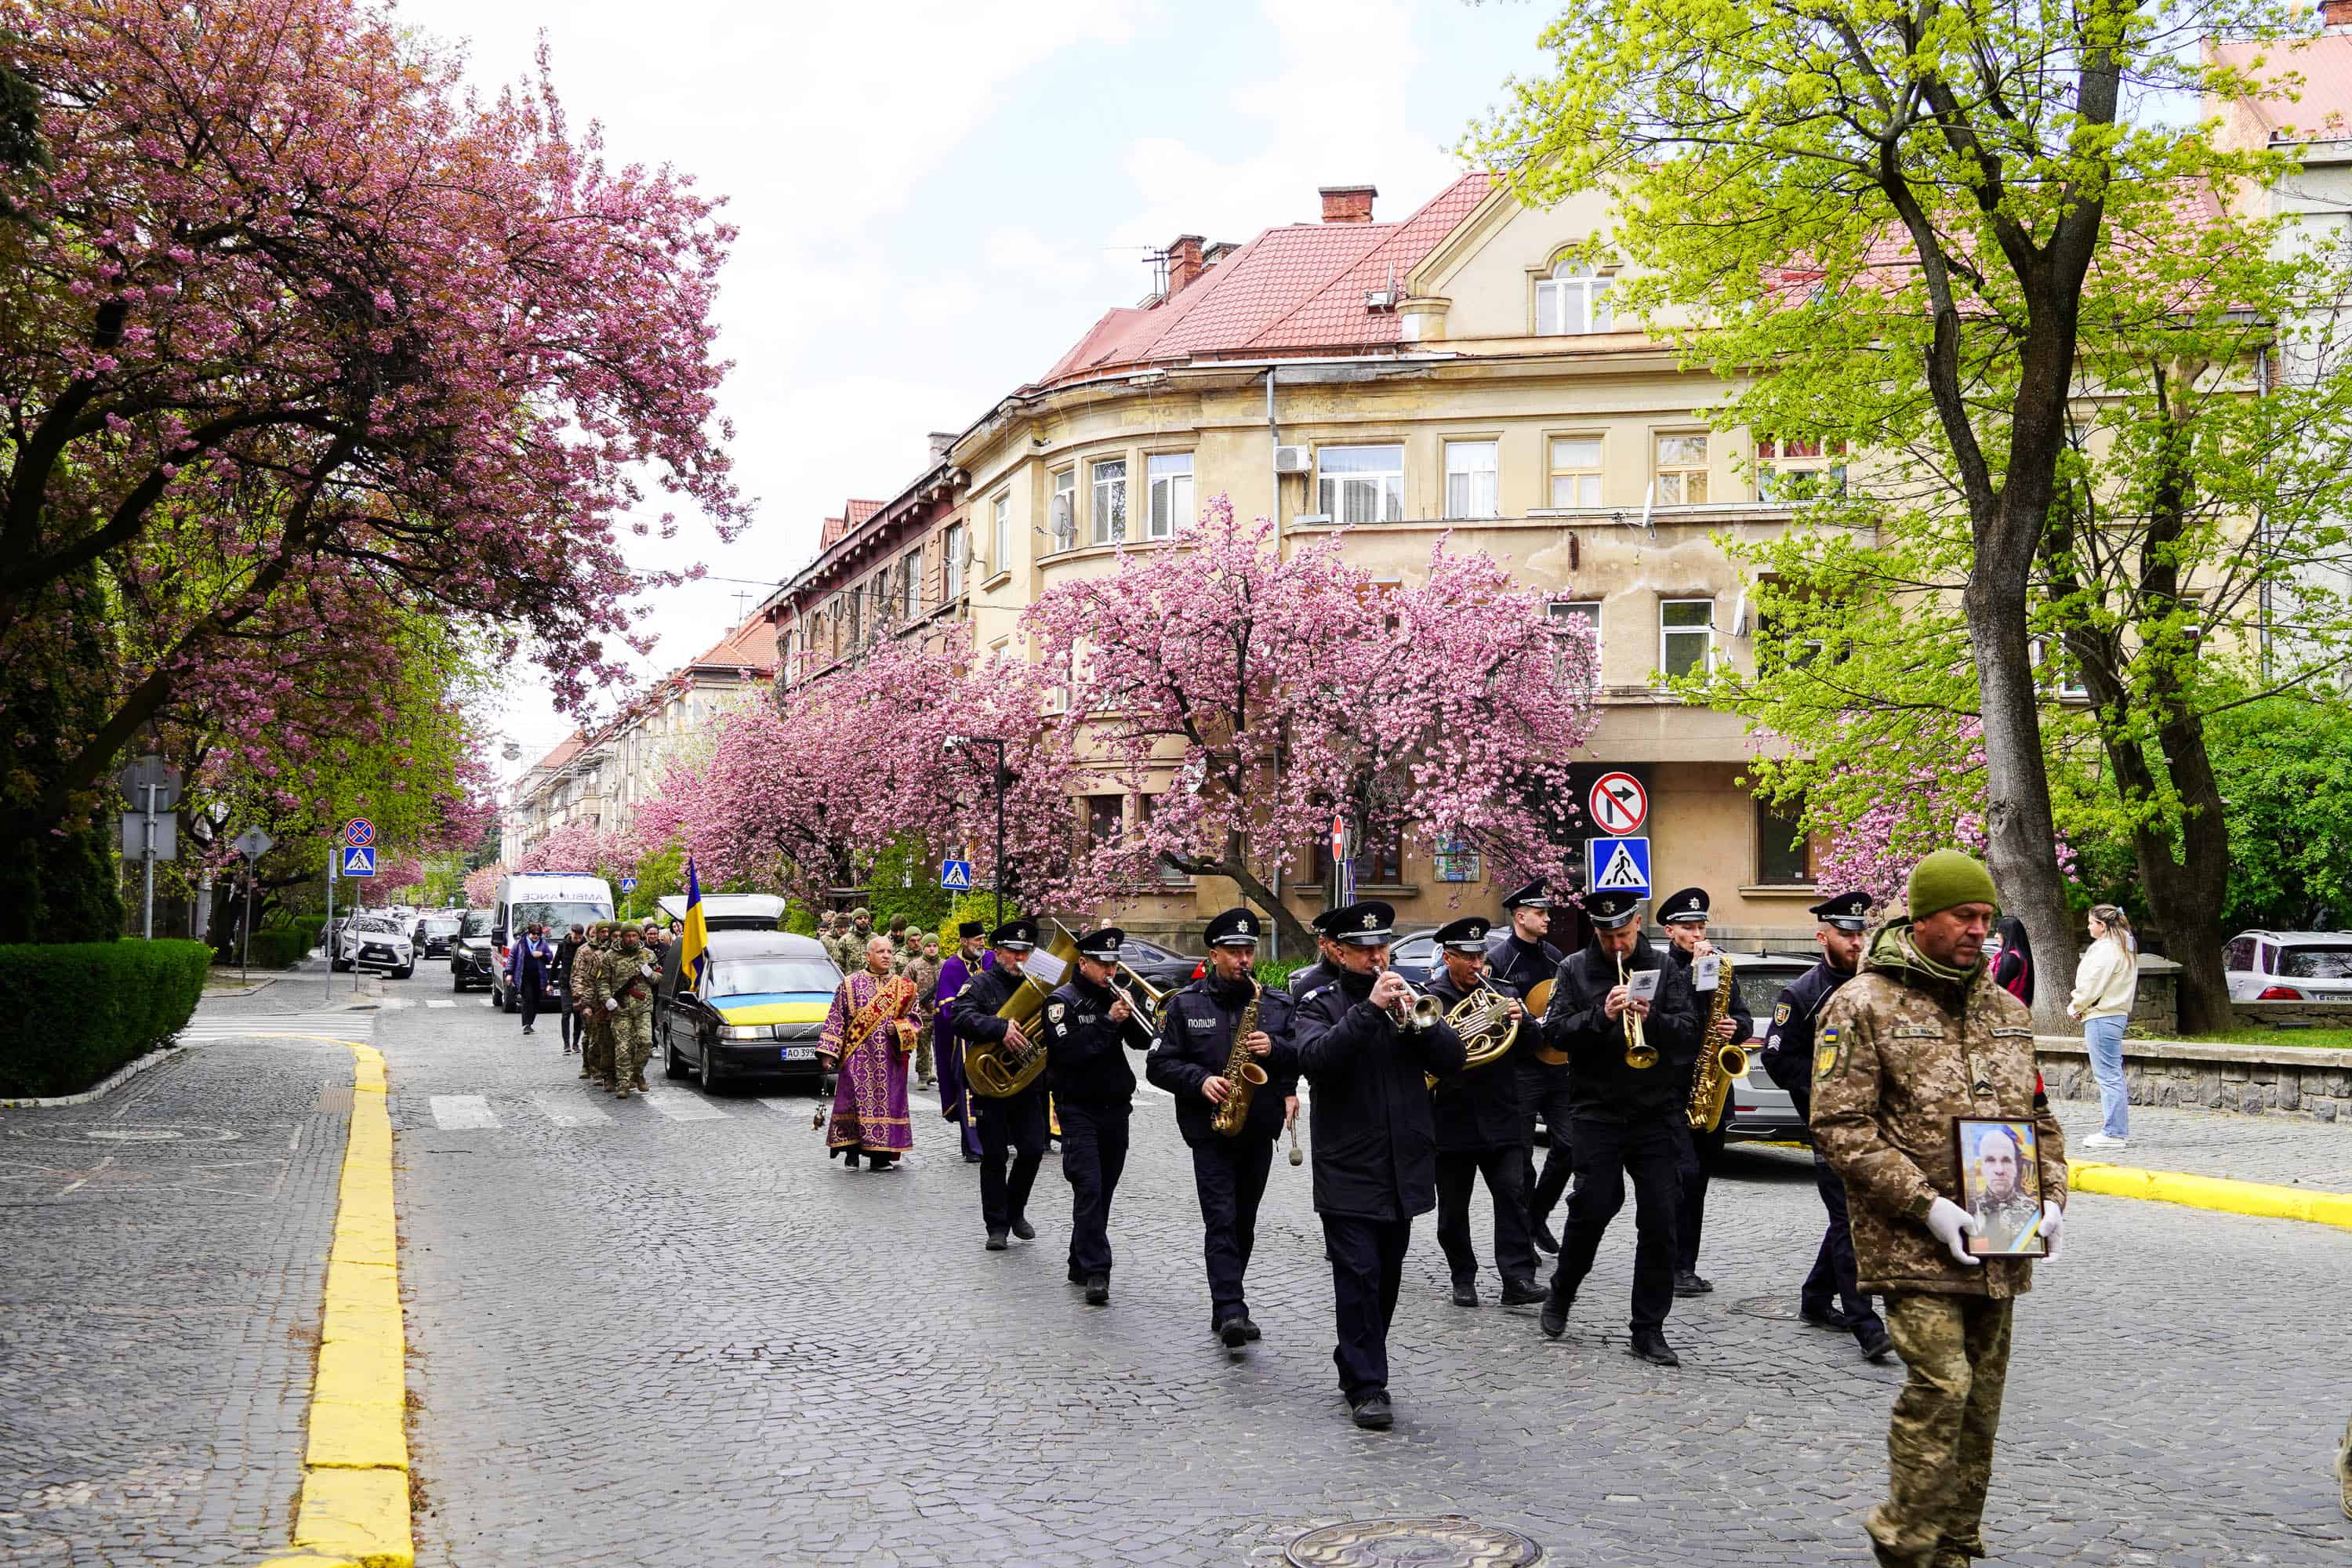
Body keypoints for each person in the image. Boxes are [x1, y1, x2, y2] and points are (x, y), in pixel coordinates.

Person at [1813, 849, 2068, 1568]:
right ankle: (1905, 1542)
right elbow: (1840, 1127)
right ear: (1922, 918)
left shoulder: (2006, 1009)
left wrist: (2052, 1199)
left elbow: (2039, 1117)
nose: (1978, 930)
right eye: (1964, 915)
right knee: (1942, 1386)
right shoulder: (1862, 1004)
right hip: (1912, 1243)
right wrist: (1928, 1208)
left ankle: (1956, 1546)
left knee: (1981, 1401)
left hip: (2001, 1236)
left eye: (1987, 917)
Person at [1293, 900, 1468, 1430]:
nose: (1376, 956)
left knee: (1386, 1277)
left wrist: (1422, 1023)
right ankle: (1369, 1385)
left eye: (1382, 947)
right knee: (1359, 1275)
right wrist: (1368, 1010)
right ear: (1338, 951)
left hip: (1404, 1162)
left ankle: (1356, 1357)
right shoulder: (1316, 1001)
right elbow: (1315, 1060)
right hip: (1347, 1164)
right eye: (1365, 949)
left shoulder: (1411, 1001)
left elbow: (1453, 1061)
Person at [1535, 890, 1703, 1367]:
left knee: (1660, 1220)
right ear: (1596, 930)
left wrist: (1656, 1020)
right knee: (1592, 1207)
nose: (1617, 946)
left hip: (1656, 1113)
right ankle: (1562, 1291)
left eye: (1625, 935)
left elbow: (1690, 1029)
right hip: (1597, 1110)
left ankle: (1648, 1329)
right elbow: (1554, 1033)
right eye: (1608, 936)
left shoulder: (1665, 969)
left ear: (1637, 925)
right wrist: (1600, 1016)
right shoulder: (1573, 969)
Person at [1146, 906, 1298, 1345]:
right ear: (1214, 954)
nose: (1243, 960)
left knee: (1244, 1221)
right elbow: (1158, 1065)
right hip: (1210, 1129)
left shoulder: (1274, 1004)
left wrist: (1278, 1053)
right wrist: (1201, 1080)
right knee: (1222, 1220)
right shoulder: (1185, 1003)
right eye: (1234, 951)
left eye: (1248, 950)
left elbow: (1303, 1054)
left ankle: (1228, 1299)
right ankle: (1230, 1308)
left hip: (1258, 1127)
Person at [1760, 891, 1893, 1363]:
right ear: (1823, 937)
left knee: (1853, 1213)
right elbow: (1776, 1058)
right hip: (1830, 1123)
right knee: (1849, 1218)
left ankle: (1816, 1298)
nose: (1857, 942)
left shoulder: (1878, 986)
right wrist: (1823, 1096)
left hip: (1876, 1122)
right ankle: (1865, 1322)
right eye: (1846, 934)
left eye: (1861, 933)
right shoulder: (1802, 994)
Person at [1424, 916, 1543, 1309]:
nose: (1478, 966)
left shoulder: (1502, 993)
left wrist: (1521, 1021)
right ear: (1448, 957)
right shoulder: (1431, 999)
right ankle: (1463, 1276)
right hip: (1452, 1118)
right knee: (1454, 1209)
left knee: (1513, 1196)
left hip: (1502, 1113)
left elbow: (1532, 1048)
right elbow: (1424, 1057)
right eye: (1468, 958)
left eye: (1481, 956)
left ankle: (1517, 1279)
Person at [1039, 927, 1157, 1305]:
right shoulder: (1062, 1002)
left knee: (1103, 1190)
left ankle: (1079, 1256)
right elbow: (1070, 1052)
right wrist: (1108, 1022)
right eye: (1104, 964)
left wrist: (1136, 1008)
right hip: (1077, 1108)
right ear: (1084, 962)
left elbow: (1144, 1041)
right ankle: (1097, 1270)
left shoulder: (1115, 996)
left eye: (1114, 963)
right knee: (1088, 1186)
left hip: (1115, 1106)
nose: (1111, 970)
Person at [1653, 886, 1754, 1298]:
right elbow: (1666, 1018)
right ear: (1669, 930)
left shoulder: (1719, 967)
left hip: (1712, 1087)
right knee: (1683, 1175)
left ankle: (1685, 1266)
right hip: (1673, 1087)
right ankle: (1669, 1264)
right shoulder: (1660, 969)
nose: (1697, 935)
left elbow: (1741, 1014)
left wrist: (1737, 1028)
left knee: (1699, 1181)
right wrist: (1696, 975)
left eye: (1700, 926)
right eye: (1688, 928)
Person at [949, 918, 1051, 1248]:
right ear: (998, 953)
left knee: (1033, 1150)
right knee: (994, 1157)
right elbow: (959, 1016)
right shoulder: (981, 985)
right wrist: (998, 1028)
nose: (1020, 959)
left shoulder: (1040, 983)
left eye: (1026, 953)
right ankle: (996, 1226)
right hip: (990, 1085)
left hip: (1029, 1083)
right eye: (1013, 953)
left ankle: (1015, 1210)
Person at [1486, 880, 1569, 1255]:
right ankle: (1522, 1235)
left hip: (1557, 1067)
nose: (1547, 918)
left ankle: (1537, 1215)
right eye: (1540, 913)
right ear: (1520, 917)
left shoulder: (1554, 956)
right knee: (1520, 1162)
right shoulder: (1500, 959)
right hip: (1520, 1072)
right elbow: (1497, 1015)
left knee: (1570, 1147)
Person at [818, 934, 921, 1170]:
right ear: (868, 956)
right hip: (857, 1056)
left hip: (890, 1060)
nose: (886, 956)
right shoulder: (849, 984)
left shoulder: (904, 987)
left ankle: (880, 1157)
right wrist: (828, 1053)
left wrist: (899, 1029)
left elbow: (915, 1021)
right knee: (854, 1103)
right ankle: (852, 1151)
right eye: (881, 952)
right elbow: (836, 1019)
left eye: (889, 952)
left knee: (887, 1106)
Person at [2067, 904, 2138, 1150]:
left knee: (2108, 1076)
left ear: (2102, 925)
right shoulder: (2124, 945)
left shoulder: (2107, 950)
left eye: (2091, 923)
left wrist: (2077, 1005)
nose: (2088, 927)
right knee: (2112, 1074)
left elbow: (2094, 983)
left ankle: (2114, 1132)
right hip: (2114, 1014)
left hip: (2102, 1015)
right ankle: (2114, 1130)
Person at [933, 920, 990, 1163]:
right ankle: (973, 1146)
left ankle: (993, 1141)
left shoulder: (991, 960)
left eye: (983, 938)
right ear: (964, 941)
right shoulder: (952, 967)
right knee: (967, 1092)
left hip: (991, 1036)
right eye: (977, 939)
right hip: (964, 1042)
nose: (982, 943)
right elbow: (944, 1007)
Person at [1965, 1124, 2042, 1253]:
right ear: (1982, 1167)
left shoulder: (2034, 1211)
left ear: (2016, 1166)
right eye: (1990, 1160)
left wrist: (2055, 1202)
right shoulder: (1967, 1209)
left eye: (2006, 1160)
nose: (1999, 1170)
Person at [602, 924, 659, 1098]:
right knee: (623, 1047)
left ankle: (637, 1073)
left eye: (635, 936)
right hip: (621, 1008)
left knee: (646, 1043)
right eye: (628, 936)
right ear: (622, 937)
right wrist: (607, 999)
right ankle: (624, 1083)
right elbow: (603, 982)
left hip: (643, 1007)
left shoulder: (647, 955)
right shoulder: (610, 956)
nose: (631, 939)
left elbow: (659, 978)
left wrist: (650, 975)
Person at [902, 934, 943, 1088]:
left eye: (935, 946)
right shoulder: (914, 965)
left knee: (942, 1047)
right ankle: (923, 1076)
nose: (932, 949)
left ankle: (942, 1076)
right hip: (922, 1015)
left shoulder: (946, 965)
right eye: (928, 946)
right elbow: (906, 986)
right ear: (923, 948)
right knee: (923, 1047)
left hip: (941, 1014)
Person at [572, 924, 611, 1083]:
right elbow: (578, 975)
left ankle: (606, 1069)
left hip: (608, 998)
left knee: (606, 1036)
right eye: (603, 932)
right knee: (591, 1035)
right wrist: (580, 998)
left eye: (608, 932)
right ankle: (589, 1066)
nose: (606, 934)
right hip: (590, 997)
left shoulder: (613, 950)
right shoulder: (585, 950)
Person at [1286, 915, 1345, 1002]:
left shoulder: (1368, 978)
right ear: (1322, 944)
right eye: (1337, 946)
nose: (1344, 953)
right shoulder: (1308, 987)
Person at [510, 923, 553, 1036]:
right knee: (527, 999)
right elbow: (512, 957)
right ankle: (526, 1025)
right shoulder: (520, 943)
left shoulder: (543, 944)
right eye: (533, 934)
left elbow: (550, 957)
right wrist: (509, 973)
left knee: (535, 1001)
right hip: (524, 976)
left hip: (538, 977)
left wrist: (542, 955)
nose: (535, 936)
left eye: (538, 934)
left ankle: (530, 1023)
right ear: (529, 933)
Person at [1988, 915, 2034, 1007]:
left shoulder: (2010, 958)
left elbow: (1996, 989)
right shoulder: (2021, 956)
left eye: (1999, 932)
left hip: (2006, 1010)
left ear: (2008, 934)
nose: (1996, 936)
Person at [554, 923, 585, 1053]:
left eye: (579, 937)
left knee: (578, 1013)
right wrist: (550, 982)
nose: (577, 939)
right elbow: (555, 963)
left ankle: (576, 1043)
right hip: (565, 982)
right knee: (566, 1012)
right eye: (575, 936)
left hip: (580, 983)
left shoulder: (585, 946)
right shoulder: (563, 945)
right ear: (571, 933)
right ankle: (566, 1043)